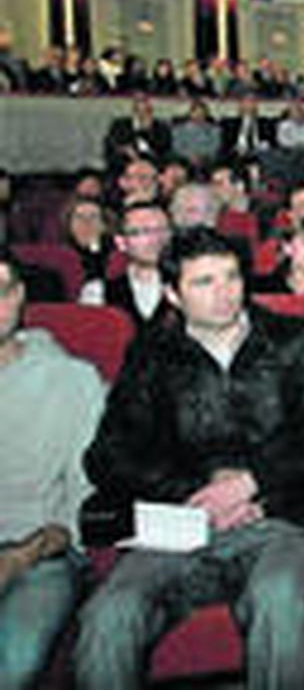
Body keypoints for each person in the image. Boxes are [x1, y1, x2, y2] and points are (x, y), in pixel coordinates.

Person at [76, 228, 304, 688]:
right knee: (109, 614)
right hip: (179, 521)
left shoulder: (293, 340)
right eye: (203, 282)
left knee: (279, 599)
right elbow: (108, 456)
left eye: (231, 277)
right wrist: (200, 490)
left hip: (274, 516)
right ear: (173, 293)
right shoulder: (153, 356)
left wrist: (251, 482)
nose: (224, 293)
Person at [0, 249, 105, 689]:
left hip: (38, 554)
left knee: (14, 658)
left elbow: (80, 507)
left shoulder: (71, 380)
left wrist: (20, 556)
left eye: (0, 292)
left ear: (19, 295)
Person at [99, 201, 175, 332]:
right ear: (121, 242)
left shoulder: (189, 286)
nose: (155, 239)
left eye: (162, 230)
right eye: (142, 232)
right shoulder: (99, 291)